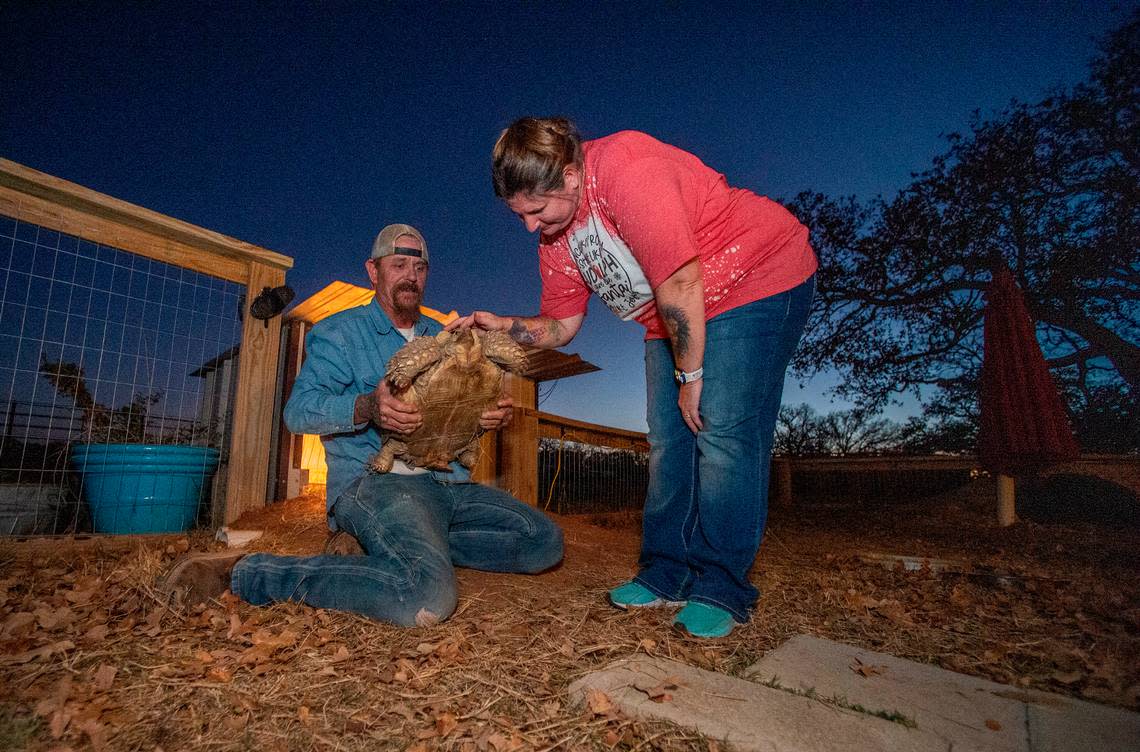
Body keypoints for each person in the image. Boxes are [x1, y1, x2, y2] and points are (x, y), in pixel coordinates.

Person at [450, 118, 816, 638]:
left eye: (536, 210)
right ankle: (667, 571)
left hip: (752, 279)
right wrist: (506, 327)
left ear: (572, 175)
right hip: (669, 312)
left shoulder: (628, 169)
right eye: (520, 215)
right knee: (668, 439)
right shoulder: (557, 239)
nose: (530, 226)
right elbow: (562, 326)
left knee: (723, 430)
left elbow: (681, 277)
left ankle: (723, 585)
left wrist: (692, 374)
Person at [162, 223, 564, 626]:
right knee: (424, 595)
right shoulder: (339, 333)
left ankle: (399, 546)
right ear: (373, 271)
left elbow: (455, 411)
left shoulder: (442, 336)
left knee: (543, 542)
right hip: (378, 483)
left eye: (419, 268)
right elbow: (298, 411)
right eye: (399, 264)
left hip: (447, 481)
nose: (411, 275)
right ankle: (249, 572)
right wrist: (367, 406)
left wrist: (484, 416)